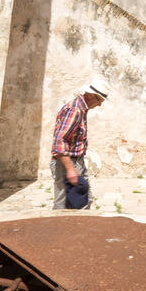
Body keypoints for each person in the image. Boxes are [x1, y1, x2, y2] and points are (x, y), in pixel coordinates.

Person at [51, 79, 109, 210]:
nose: (99, 105)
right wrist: (70, 169)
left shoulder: (81, 108)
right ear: (90, 96)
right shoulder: (74, 110)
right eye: (99, 101)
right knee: (64, 204)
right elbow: (60, 142)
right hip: (66, 162)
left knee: (83, 201)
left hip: (76, 161)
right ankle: (58, 228)